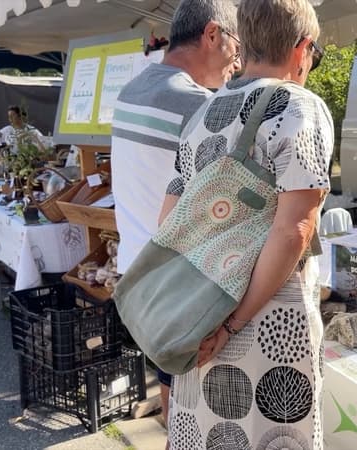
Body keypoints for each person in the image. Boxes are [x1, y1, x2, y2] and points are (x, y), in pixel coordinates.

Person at [159, 0, 332, 445]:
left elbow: (169, 220)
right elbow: (295, 227)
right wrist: (233, 325)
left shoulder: (204, 114)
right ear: (303, 49)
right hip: (269, 324)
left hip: (199, 315)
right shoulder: (299, 107)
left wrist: (204, 320)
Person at [109, 0, 241, 431]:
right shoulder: (199, 106)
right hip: (184, 291)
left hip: (139, 276)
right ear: (212, 35)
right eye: (236, 47)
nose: (236, 63)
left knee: (174, 413)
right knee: (196, 422)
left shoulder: (131, 91)